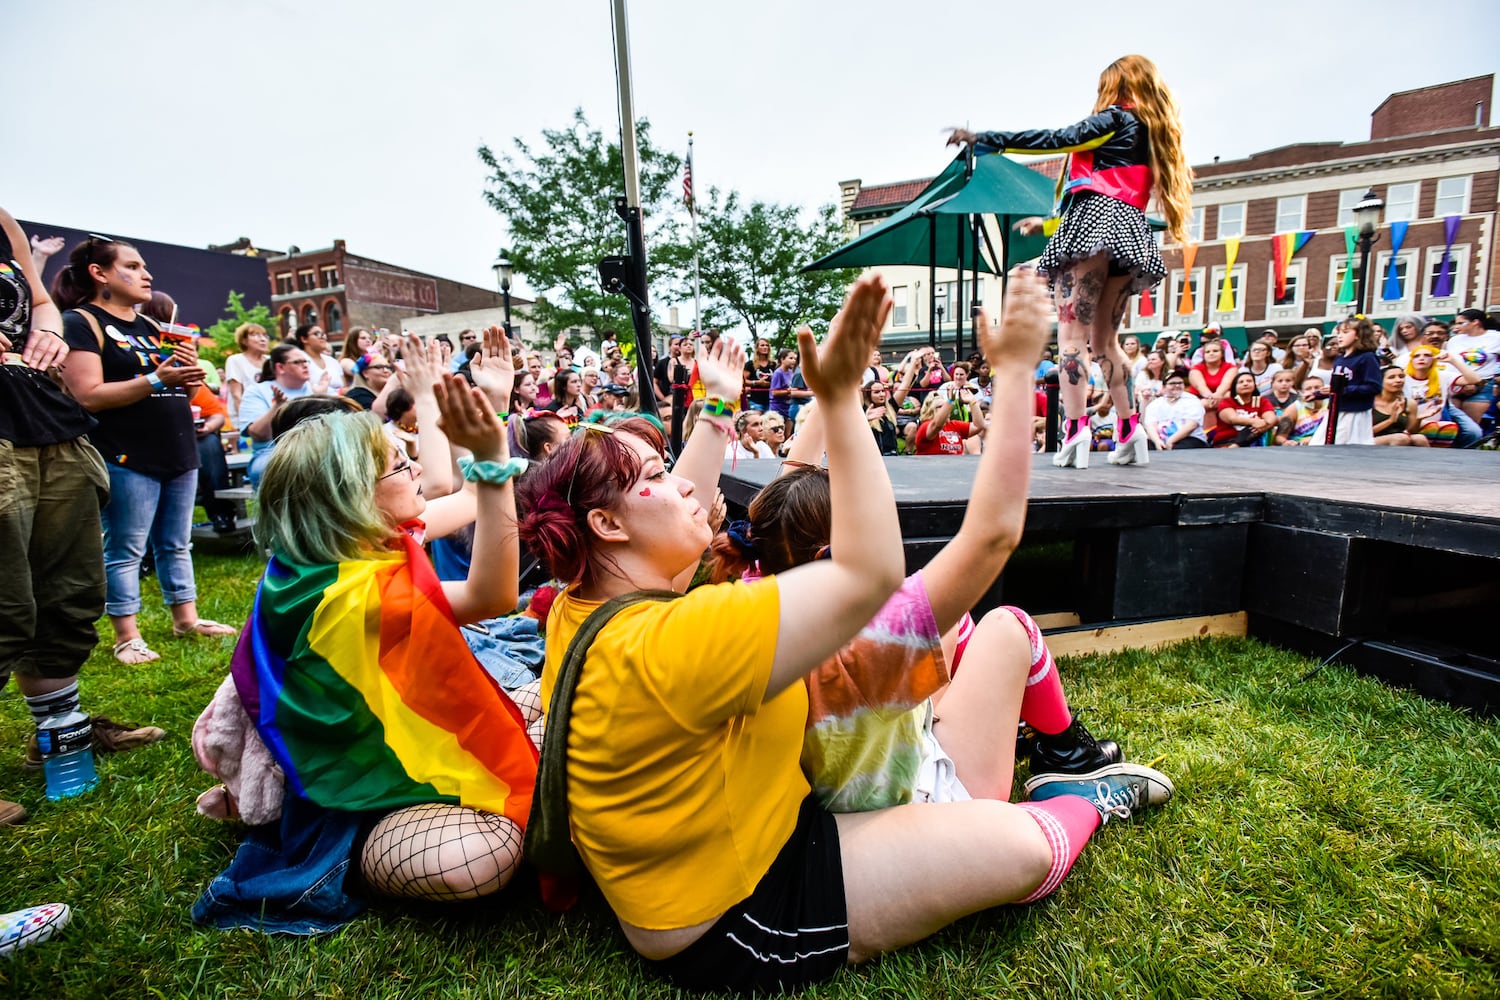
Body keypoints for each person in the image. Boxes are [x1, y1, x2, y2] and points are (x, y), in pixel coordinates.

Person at [518, 273, 1169, 994]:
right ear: (607, 527)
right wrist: (872, 393)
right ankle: (1083, 798)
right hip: (740, 916)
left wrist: (720, 410)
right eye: (654, 480)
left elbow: (711, 499)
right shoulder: (679, 635)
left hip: (771, 843)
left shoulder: (592, 602)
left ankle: (1046, 773)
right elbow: (876, 571)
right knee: (1024, 844)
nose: (685, 488)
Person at [196, 363, 540, 933]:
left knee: (549, 701)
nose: (416, 474)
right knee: (486, 857)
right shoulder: (345, 594)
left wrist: (496, 413)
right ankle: (336, 865)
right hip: (352, 795)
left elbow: (472, 492)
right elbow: (494, 593)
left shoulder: (353, 540)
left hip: (398, 744)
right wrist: (494, 459)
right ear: (352, 498)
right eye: (399, 467)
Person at [949, 54, 1192, 469]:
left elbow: (1059, 138)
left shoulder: (1114, 119)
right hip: (1128, 231)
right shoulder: (1152, 135)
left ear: (1116, 86)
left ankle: (1076, 431)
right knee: (1105, 342)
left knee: (1071, 338)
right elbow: (1113, 188)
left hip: (1093, 225)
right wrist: (1047, 227)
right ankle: (1131, 430)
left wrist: (986, 138)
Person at [1, 210, 165, 823]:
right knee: (5, 604)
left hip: (46, 421)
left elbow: (38, 299)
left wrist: (45, 331)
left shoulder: (3, 222)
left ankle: (62, 731)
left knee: (68, 593)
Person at [52, 236, 235, 664]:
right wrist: (156, 380)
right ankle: (126, 635)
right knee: (126, 547)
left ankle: (186, 617)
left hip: (177, 447)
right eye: (132, 266)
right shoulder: (80, 321)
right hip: (125, 453)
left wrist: (188, 369)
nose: (146, 274)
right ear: (100, 274)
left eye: (144, 266)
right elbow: (88, 394)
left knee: (176, 542)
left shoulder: (153, 327)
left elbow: (191, 388)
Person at [1311, 316, 1381, 446]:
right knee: (1319, 444)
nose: (1339, 336)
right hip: (1336, 411)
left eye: (1345, 332)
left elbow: (1373, 387)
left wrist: (1342, 391)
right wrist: (1318, 394)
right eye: (1338, 332)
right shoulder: (1340, 359)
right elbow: (1336, 386)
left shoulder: (1367, 358)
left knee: (1347, 448)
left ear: (1358, 335)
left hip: (1355, 413)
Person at [238, 343, 317, 451]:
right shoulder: (257, 391)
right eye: (297, 362)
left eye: (305, 361)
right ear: (280, 367)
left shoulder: (319, 389)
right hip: (274, 454)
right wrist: (277, 407)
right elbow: (258, 435)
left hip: (316, 451)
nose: (305, 365)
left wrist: (322, 397)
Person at [1445, 308, 1500, 424]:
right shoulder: (1454, 340)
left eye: (1460, 323)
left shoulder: (1495, 337)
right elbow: (1450, 362)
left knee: (1473, 424)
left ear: (1475, 322)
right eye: (1456, 323)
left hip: (1483, 384)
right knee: (1453, 423)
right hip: (1458, 384)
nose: (1457, 326)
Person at [1142, 372, 1208, 449]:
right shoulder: (1155, 404)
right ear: (1164, 387)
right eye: (1172, 383)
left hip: (1189, 438)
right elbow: (1150, 426)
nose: (1177, 385)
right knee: (1144, 447)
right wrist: (1157, 441)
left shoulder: (1192, 400)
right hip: (1161, 439)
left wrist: (1171, 440)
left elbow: (1191, 425)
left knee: (1179, 448)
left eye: (1180, 383)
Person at [914, 386, 985, 455]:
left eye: (945, 405)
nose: (946, 408)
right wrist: (950, 401)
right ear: (930, 410)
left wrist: (972, 402)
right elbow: (937, 425)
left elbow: (978, 426)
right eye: (940, 407)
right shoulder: (925, 427)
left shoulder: (955, 425)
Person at [1211, 371, 1275, 447]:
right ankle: (1236, 445)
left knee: (1252, 429)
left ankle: (1237, 445)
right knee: (1252, 426)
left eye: (1249, 381)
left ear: (1254, 385)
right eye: (1241, 382)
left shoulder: (1262, 401)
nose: (1245, 384)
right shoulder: (1227, 402)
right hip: (1226, 441)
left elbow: (1271, 419)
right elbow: (1231, 419)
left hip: (1252, 440)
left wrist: (1263, 426)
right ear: (1234, 387)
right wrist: (1254, 422)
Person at [224, 322, 269, 427]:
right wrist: (246, 423)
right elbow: (237, 395)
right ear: (244, 340)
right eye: (255, 335)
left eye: (265, 335)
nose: (263, 339)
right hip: (249, 417)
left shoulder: (271, 360)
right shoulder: (236, 360)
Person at [1372, 365, 1428, 446]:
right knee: (1400, 438)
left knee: (1419, 438)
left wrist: (1419, 419)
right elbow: (1364, 433)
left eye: (1401, 377)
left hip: (1401, 439)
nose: (1398, 380)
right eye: (1391, 377)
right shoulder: (1369, 402)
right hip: (1372, 439)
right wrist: (1390, 420)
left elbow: (1411, 432)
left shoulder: (1409, 403)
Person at [288, 324, 340, 394]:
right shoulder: (298, 360)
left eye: (323, 334)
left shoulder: (333, 361)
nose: (322, 337)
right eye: (317, 334)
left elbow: (344, 385)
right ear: (304, 339)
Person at [743, 338, 776, 411]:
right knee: (757, 420)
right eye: (762, 345)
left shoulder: (773, 364)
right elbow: (742, 381)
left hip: (771, 400)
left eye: (767, 345)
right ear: (757, 348)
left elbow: (778, 381)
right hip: (755, 401)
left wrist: (769, 384)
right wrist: (757, 382)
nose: (765, 347)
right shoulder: (750, 364)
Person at [769, 347, 799, 418]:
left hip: (788, 407)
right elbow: (774, 392)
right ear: (782, 359)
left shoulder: (791, 372)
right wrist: (788, 391)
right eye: (791, 358)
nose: (794, 361)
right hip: (777, 408)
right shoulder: (778, 373)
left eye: (795, 359)